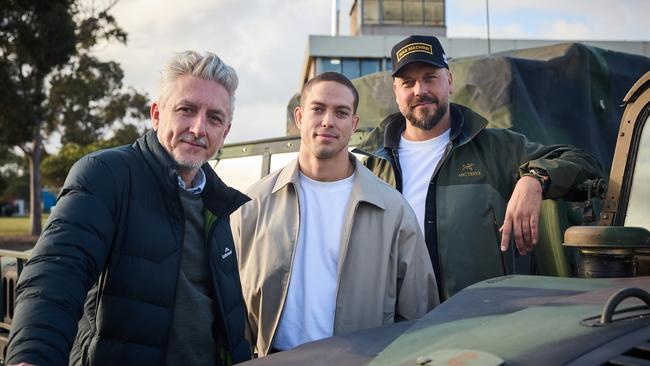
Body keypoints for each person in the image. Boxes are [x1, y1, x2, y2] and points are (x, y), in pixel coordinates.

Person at [6, 51, 251, 366]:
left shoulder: (220, 204)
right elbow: (57, 270)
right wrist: (33, 356)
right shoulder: (106, 175)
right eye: (186, 110)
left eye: (214, 117)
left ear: (225, 132)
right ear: (156, 114)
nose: (198, 127)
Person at [355, 35, 605, 301]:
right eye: (408, 83)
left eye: (430, 78)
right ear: (396, 92)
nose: (420, 91)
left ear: (449, 81)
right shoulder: (369, 165)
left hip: (479, 323)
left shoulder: (496, 148)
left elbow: (586, 163)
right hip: (398, 327)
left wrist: (534, 179)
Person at [231, 72, 438, 357]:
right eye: (318, 109)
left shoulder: (393, 211)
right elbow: (231, 307)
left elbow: (419, 313)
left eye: (341, 112)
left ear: (353, 124)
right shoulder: (252, 205)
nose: (328, 121)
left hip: (362, 360)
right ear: (300, 117)